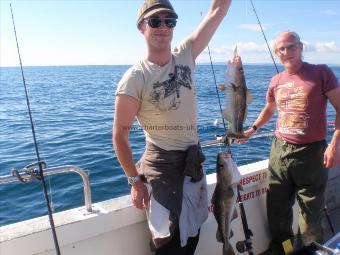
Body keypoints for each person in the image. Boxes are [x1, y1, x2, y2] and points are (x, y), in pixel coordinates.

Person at [112, 0, 232, 254]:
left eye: (170, 21)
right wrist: (135, 181)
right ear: (141, 27)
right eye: (155, 21)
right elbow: (120, 135)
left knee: (192, 237)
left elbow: (217, 11)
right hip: (161, 170)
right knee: (166, 244)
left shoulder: (186, 54)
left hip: (192, 166)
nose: (163, 27)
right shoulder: (135, 78)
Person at [242, 31, 340, 255]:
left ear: (301, 47)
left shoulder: (321, 72)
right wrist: (252, 129)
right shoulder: (276, 80)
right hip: (279, 150)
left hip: (312, 152)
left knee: (310, 216)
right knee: (277, 212)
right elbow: (269, 109)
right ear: (277, 53)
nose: (286, 52)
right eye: (281, 49)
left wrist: (335, 143)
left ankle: (311, 251)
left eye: (291, 47)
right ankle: (284, 249)